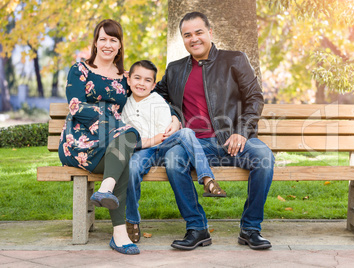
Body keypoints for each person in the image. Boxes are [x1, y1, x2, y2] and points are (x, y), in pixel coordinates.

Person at [153, 12, 275, 250]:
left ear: (210, 33)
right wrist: (174, 117)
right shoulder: (175, 69)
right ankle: (197, 228)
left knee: (263, 157)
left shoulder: (235, 60)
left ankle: (250, 228)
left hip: (231, 140)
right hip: (193, 145)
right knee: (172, 158)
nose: (194, 39)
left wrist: (241, 131)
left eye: (198, 32)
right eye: (187, 35)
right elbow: (154, 97)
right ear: (183, 39)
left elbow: (254, 98)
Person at [58, 19, 140, 255]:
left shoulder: (125, 77)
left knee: (122, 156)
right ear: (95, 42)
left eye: (113, 40)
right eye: (103, 38)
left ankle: (107, 191)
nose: (107, 44)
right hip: (80, 140)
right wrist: (112, 124)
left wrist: (174, 115)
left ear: (120, 45)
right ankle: (119, 233)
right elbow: (75, 106)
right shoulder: (80, 70)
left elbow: (151, 95)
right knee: (127, 138)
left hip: (115, 139)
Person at [122, 60, 226, 243]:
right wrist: (146, 142)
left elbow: (173, 122)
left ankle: (207, 179)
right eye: (137, 78)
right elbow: (123, 135)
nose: (141, 83)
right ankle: (132, 220)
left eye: (147, 80)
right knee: (131, 169)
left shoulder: (158, 100)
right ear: (128, 79)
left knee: (186, 132)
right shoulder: (123, 104)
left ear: (154, 85)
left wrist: (175, 122)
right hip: (143, 150)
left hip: (165, 145)